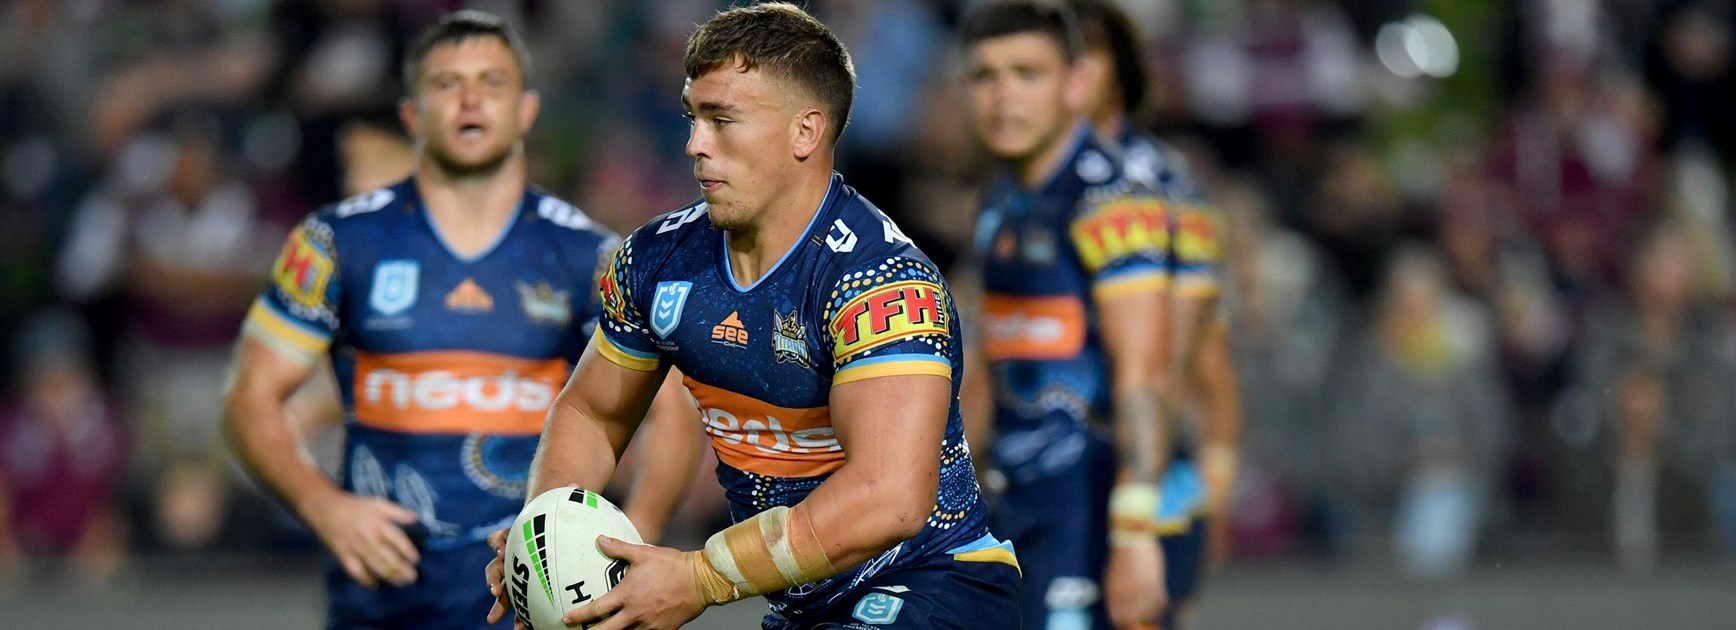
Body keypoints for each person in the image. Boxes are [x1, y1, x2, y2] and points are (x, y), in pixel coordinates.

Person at [482, 4, 1020, 629]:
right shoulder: (658, 258)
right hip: (793, 600)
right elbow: (592, 412)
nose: (694, 144)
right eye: (692, 116)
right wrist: (548, 539)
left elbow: (889, 499)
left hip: (933, 583)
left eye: (722, 119)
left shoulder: (881, 282)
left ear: (805, 132)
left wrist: (700, 577)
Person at [224, 11, 689, 629]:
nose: (471, 99)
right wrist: (322, 506)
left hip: (530, 606)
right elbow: (250, 395)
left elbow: (671, 412)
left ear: (526, 110)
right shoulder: (336, 243)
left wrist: (637, 542)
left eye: (492, 82)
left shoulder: (591, 257)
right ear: (412, 115)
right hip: (378, 601)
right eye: (447, 83)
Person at [957, 2, 1175, 628]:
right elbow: (989, 355)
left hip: (1089, 508)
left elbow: (1145, 375)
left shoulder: (1113, 201)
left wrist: (1136, 535)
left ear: (1075, 83)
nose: (1004, 96)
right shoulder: (1000, 195)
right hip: (1009, 499)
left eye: (1027, 73)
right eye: (985, 75)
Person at [1067, 1, 1244, 627]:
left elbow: (1197, 363)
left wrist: (1207, 494)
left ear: (1122, 73)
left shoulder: (1166, 192)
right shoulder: (1018, 188)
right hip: (1044, 487)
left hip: (1137, 487)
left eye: (1084, 54)